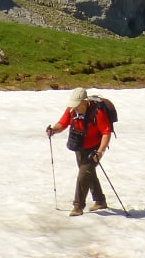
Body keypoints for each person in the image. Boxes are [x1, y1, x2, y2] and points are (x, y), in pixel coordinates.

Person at [46, 87, 113, 217]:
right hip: (80, 147)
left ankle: (78, 206)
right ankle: (100, 200)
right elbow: (63, 123)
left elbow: (106, 132)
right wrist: (53, 130)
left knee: (83, 175)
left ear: (85, 101)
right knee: (88, 173)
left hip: (94, 148)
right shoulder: (71, 110)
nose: (75, 108)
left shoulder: (97, 112)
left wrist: (100, 152)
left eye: (77, 105)